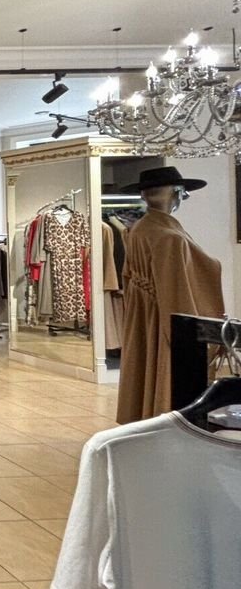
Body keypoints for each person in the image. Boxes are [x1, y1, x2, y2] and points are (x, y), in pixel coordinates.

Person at [115, 166, 224, 423]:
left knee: (146, 360)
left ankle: (146, 415)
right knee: (167, 362)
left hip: (144, 312)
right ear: (176, 193)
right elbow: (176, 293)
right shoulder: (168, 237)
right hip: (162, 310)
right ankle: (167, 419)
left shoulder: (138, 229)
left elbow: (128, 276)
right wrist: (192, 332)